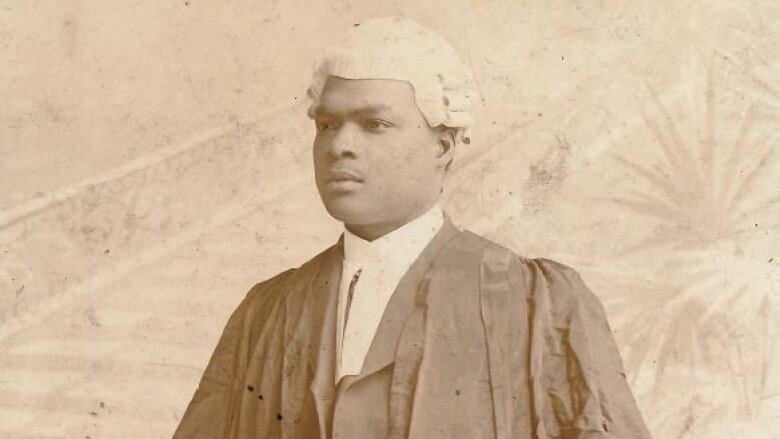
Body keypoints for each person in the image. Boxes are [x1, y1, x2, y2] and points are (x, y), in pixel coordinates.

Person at [173, 16, 651, 439]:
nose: (341, 145)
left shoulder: (538, 303)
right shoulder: (267, 312)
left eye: (374, 124)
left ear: (442, 146)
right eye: (326, 125)